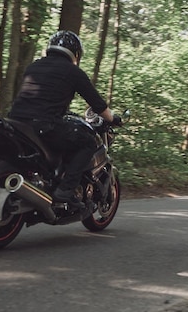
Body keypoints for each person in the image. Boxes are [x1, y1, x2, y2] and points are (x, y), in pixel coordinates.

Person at [8, 30, 121, 209]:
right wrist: (113, 118)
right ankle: (65, 191)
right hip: (44, 125)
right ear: (76, 53)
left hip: (15, 123)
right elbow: (97, 105)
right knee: (87, 143)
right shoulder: (72, 72)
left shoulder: (34, 66)